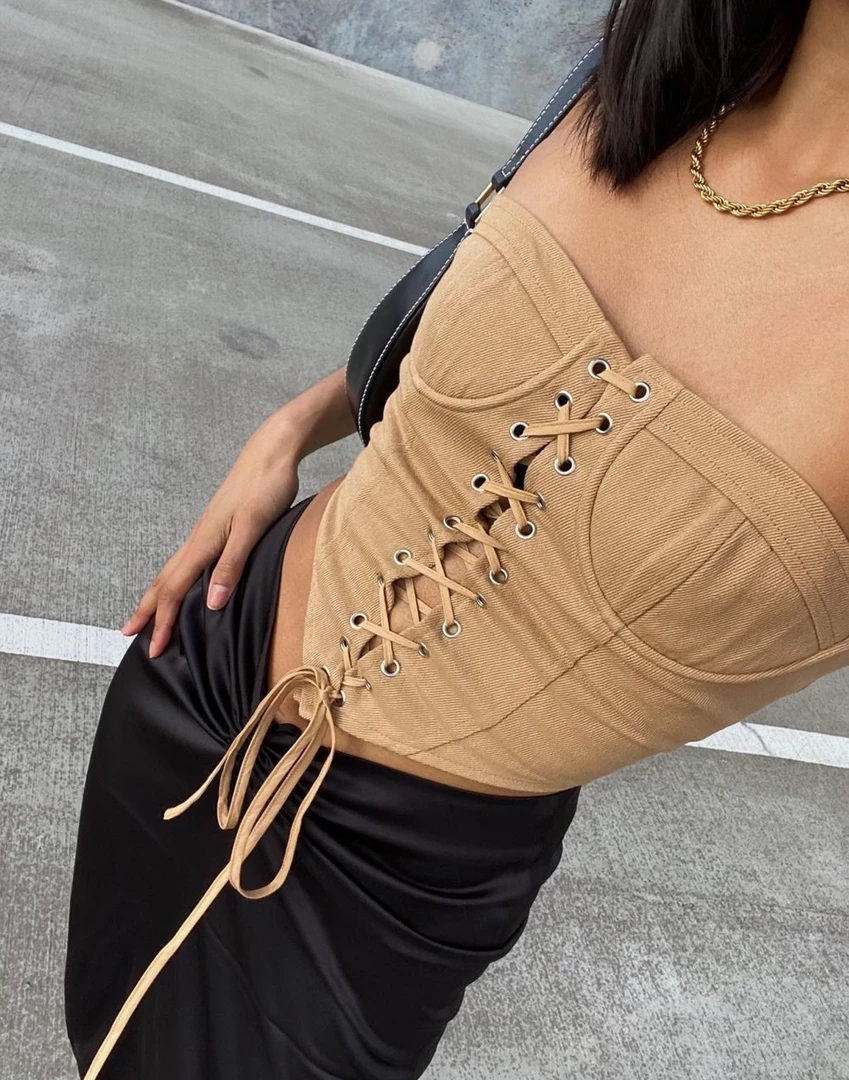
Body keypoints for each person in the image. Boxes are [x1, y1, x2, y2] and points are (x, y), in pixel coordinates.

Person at [65, 0, 849, 1076]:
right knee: (98, 1038)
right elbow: (468, 318)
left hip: (395, 883)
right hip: (202, 667)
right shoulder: (637, 85)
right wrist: (288, 427)